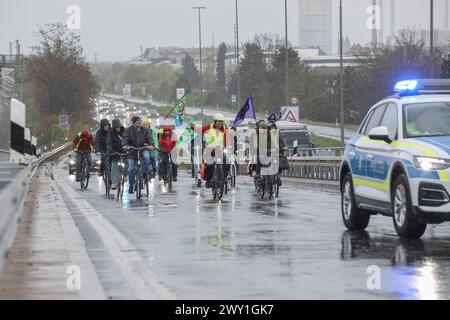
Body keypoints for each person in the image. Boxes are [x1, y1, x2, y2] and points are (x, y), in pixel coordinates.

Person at [198, 113, 231, 188]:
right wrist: (193, 127)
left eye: (222, 121)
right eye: (219, 121)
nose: (220, 123)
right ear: (215, 121)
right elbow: (200, 130)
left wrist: (228, 145)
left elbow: (228, 139)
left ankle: (224, 177)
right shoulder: (209, 127)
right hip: (210, 150)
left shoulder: (224, 129)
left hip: (220, 150)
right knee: (208, 164)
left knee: (227, 161)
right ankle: (209, 180)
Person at [122, 116, 154, 194]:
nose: (139, 123)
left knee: (147, 157)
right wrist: (125, 145)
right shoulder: (128, 130)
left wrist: (150, 145)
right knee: (131, 169)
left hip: (143, 149)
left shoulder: (145, 130)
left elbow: (149, 138)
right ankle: (131, 185)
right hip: (132, 151)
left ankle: (144, 175)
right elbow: (125, 138)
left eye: (140, 121)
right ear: (134, 122)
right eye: (138, 121)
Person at [107, 119, 126, 190]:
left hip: (125, 152)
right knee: (114, 165)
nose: (118, 129)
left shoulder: (125, 131)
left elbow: (129, 140)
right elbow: (109, 143)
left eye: (119, 127)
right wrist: (111, 151)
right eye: (116, 128)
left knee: (127, 163)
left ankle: (126, 176)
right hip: (115, 152)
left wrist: (128, 148)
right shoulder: (110, 133)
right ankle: (114, 183)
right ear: (114, 128)